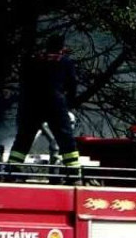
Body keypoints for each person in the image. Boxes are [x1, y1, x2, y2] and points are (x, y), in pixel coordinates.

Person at [7, 35, 81, 170]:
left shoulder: (33, 61)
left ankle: (12, 170)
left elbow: (24, 83)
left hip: (32, 105)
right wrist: (70, 104)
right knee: (65, 138)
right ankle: (74, 173)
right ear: (61, 48)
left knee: (24, 137)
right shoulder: (65, 62)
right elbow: (72, 85)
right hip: (55, 104)